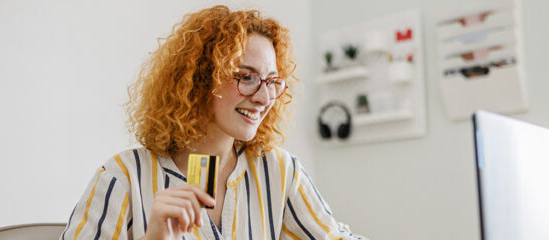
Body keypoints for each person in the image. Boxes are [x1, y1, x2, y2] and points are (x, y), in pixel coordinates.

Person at [60, 5, 365, 240]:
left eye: (271, 81)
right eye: (247, 77)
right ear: (200, 80)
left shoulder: (280, 172)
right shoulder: (124, 177)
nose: (263, 98)